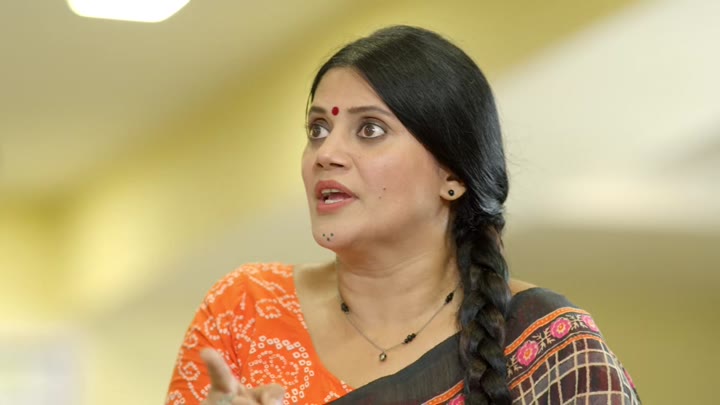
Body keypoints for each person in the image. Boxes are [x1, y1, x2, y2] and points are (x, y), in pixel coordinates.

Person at [165, 25, 640, 405]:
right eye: (318, 129)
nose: (326, 154)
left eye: (370, 129)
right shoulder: (244, 311)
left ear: (452, 174)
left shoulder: (550, 347)